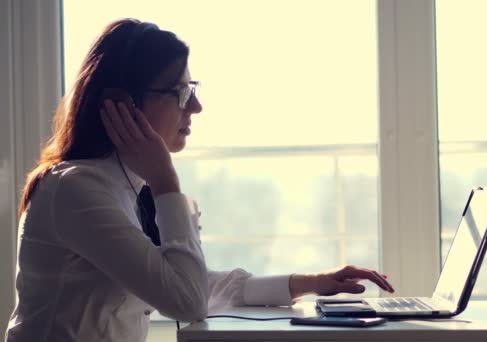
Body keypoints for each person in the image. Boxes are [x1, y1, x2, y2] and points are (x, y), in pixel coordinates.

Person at [4, 18, 394, 342]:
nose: (196, 106)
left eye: (192, 89)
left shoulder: (123, 187)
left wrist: (311, 282)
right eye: (179, 92)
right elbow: (185, 301)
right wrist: (166, 181)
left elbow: (193, 286)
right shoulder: (77, 190)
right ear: (124, 105)